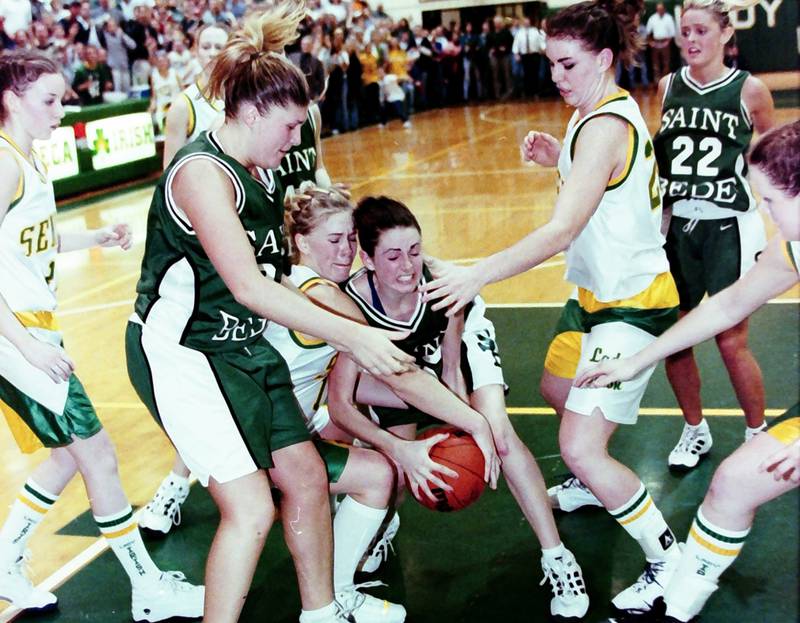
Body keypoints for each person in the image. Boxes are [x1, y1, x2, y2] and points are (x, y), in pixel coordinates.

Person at [123, 11, 416, 623]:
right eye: (288, 127)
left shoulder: (256, 173)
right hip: (185, 355)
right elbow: (250, 286)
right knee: (251, 509)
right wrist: (356, 334)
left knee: (306, 476)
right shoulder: (203, 173)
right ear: (251, 113)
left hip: (241, 350)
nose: (294, 142)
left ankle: (322, 610)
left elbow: (276, 277)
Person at [422, 0, 686, 615]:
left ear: (603, 59)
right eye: (551, 65)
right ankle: (596, 485)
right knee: (554, 385)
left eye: (568, 64)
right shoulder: (588, 115)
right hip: (595, 296)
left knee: (581, 448)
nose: (557, 77)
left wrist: (476, 273)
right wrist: (556, 162)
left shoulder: (602, 127)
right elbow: (601, 191)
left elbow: (563, 230)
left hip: (633, 304)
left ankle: (669, 561)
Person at [0, 49, 203, 621]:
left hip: (30, 332)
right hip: (17, 337)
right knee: (101, 456)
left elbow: (24, 244)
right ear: (12, 99)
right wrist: (25, 346)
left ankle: (5, 559)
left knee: (66, 458)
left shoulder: (25, 160)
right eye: (49, 99)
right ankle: (148, 588)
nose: (61, 111)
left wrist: (92, 239)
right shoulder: (4, 162)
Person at [574, 120, 800, 623]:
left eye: (771, 203)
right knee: (732, 483)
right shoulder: (792, 248)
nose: (766, 216)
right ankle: (674, 610)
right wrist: (639, 359)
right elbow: (726, 306)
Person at [328, 196, 590, 619]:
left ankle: (557, 557)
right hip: (399, 371)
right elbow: (341, 402)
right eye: (392, 256)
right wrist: (399, 447)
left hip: (457, 350)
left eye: (414, 251)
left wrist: (466, 428)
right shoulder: (351, 306)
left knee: (500, 438)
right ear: (368, 258)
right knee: (396, 470)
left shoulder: (439, 284)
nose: (407, 266)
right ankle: (379, 526)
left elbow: (451, 365)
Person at [655, 0, 775, 470]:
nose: (690, 40)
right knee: (677, 336)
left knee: (730, 340)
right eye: (685, 31)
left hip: (729, 226)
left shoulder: (752, 90)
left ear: (725, 34)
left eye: (701, 30)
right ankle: (694, 430)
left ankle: (757, 433)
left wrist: (767, 203)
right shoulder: (667, 87)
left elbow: (770, 147)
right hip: (679, 227)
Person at [160, 23, 228, 168]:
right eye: (206, 47)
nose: (212, 53)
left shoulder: (243, 95)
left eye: (219, 47)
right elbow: (170, 172)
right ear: (195, 51)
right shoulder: (183, 105)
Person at [645, 3, 676, 84]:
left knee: (666, 63)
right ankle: (657, 82)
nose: (660, 10)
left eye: (661, 9)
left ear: (664, 9)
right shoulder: (653, 18)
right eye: (658, 9)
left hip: (665, 42)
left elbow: (672, 33)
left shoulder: (668, 18)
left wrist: (667, 42)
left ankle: (665, 82)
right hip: (655, 43)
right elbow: (647, 32)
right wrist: (650, 42)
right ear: (656, 9)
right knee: (655, 64)